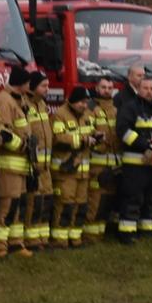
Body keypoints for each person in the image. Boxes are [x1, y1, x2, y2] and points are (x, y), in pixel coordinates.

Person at [115, 76, 152, 244]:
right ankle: (127, 232)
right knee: (133, 198)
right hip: (136, 163)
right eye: (146, 88)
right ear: (138, 89)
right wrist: (145, 145)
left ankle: (148, 230)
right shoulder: (130, 109)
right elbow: (123, 131)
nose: (149, 92)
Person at [0, 69, 33, 257]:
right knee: (7, 206)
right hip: (9, 164)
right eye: (28, 83)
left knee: (17, 205)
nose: (29, 87)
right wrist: (24, 145)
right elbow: (5, 134)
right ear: (21, 83)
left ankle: (16, 244)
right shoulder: (4, 100)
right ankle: (0, 246)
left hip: (21, 165)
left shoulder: (19, 99)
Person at [51, 87, 98, 246]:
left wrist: (96, 137)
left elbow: (92, 132)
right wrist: (82, 140)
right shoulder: (60, 114)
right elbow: (58, 138)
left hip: (83, 171)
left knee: (80, 205)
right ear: (72, 100)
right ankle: (60, 239)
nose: (84, 105)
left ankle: (75, 237)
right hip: (66, 170)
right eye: (81, 102)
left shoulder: (88, 115)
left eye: (86, 102)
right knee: (65, 204)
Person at [25, 70, 58, 250]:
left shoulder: (42, 105)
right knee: (34, 202)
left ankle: (42, 239)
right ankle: (31, 239)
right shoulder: (26, 106)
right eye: (43, 85)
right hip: (34, 165)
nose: (47, 89)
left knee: (46, 201)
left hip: (46, 166)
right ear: (33, 87)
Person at [88, 74, 122, 241]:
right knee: (96, 201)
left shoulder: (115, 110)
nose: (107, 91)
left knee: (107, 201)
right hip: (96, 164)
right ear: (96, 88)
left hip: (113, 165)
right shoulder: (91, 108)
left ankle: (101, 233)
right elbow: (88, 132)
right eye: (103, 87)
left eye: (110, 88)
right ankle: (90, 235)